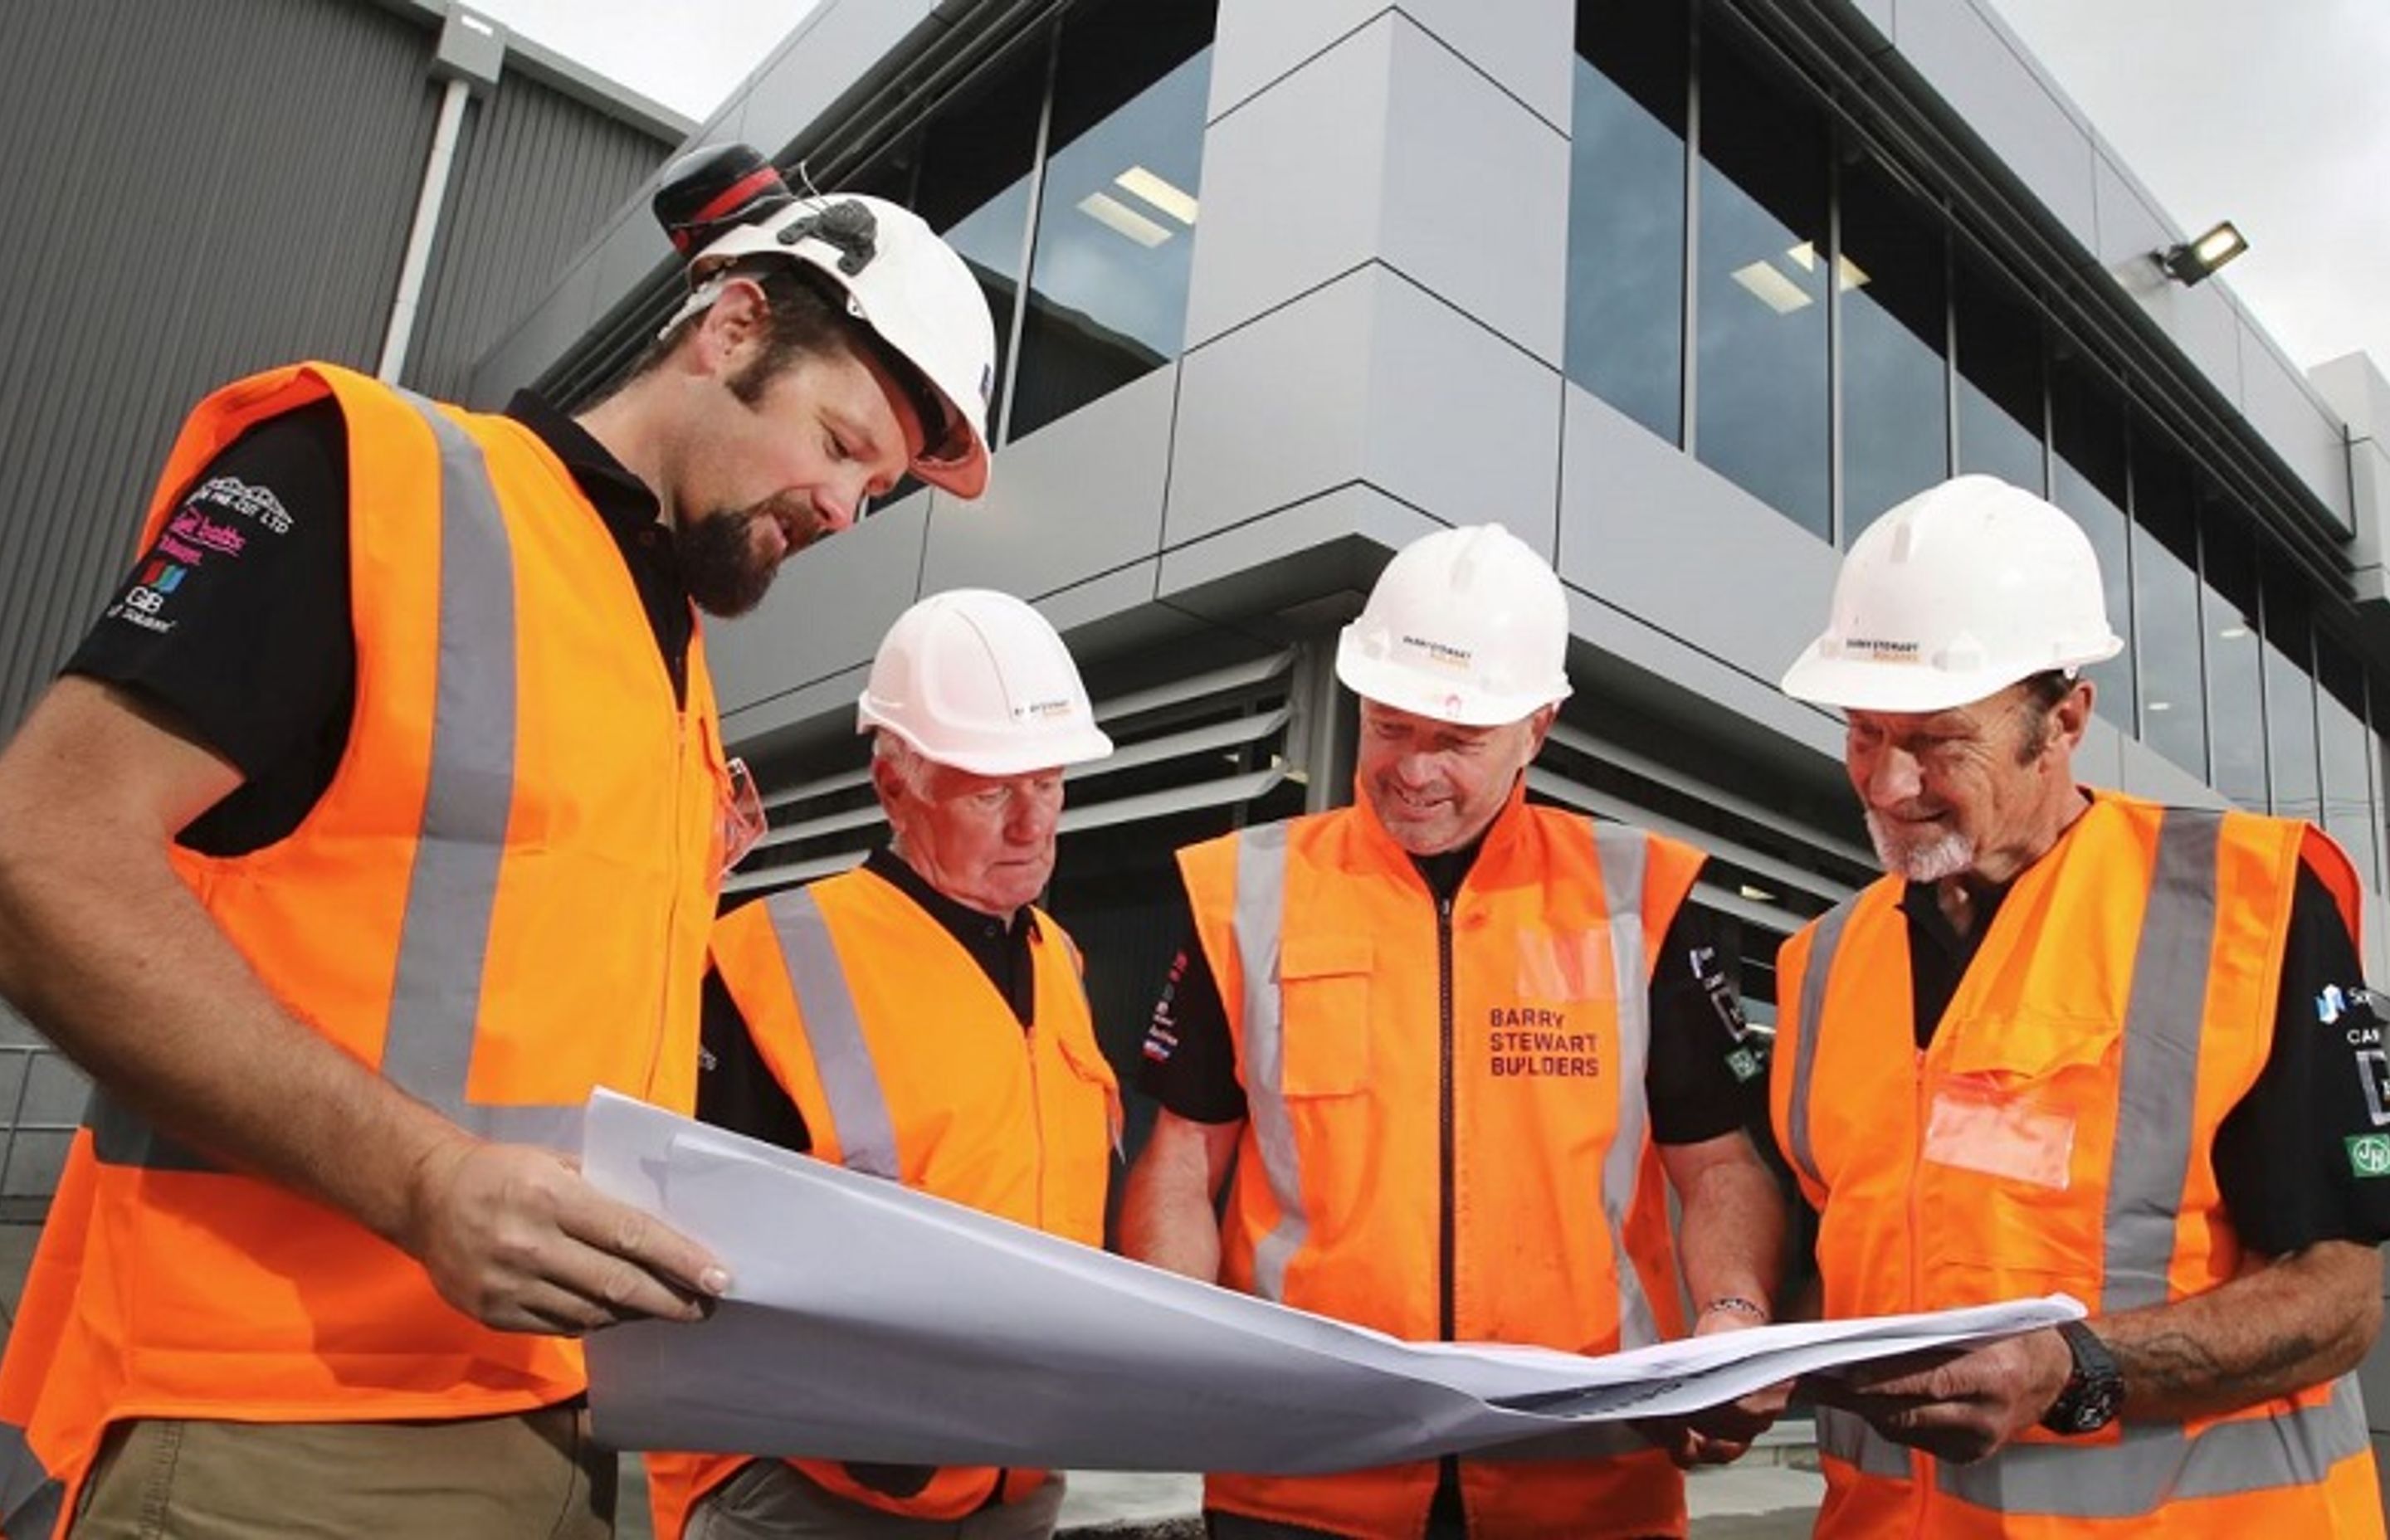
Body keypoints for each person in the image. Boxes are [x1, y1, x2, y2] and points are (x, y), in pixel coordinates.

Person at [0, 142, 998, 1540]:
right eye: (843, 448)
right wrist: (423, 1183)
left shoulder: (671, 662)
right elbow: (38, 854)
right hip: (283, 1425)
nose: (845, 510)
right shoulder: (379, 480)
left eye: (878, 490)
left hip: (566, 1428)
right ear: (729, 329)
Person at [1120, 524, 1788, 1540]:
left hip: (1580, 1479)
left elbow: (1720, 1165)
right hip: (1303, 1476)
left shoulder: (1645, 896)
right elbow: (1181, 1161)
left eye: (1460, 741)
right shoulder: (1242, 890)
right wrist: (1177, 1343)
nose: (1414, 771)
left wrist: (1731, 1319)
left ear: (1539, 726)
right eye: (1390, 728)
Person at [1771, 474, 2389, 1537]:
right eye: (1865, 733)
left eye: (1937, 740)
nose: (1886, 782)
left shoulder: (2244, 902)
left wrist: (2078, 1367)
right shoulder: (1823, 958)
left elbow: (2341, 1293)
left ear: (2063, 720)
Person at [645, 588, 1119, 1540]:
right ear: (894, 785)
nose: (1032, 824)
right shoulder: (764, 956)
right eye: (992, 790)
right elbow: (685, 1252)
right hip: (812, 1490)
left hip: (1015, 1491)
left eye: (1050, 782)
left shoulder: (1059, 960)